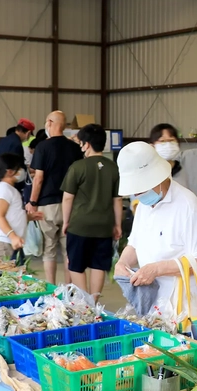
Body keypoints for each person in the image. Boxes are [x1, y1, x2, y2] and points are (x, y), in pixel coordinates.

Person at [113, 142, 197, 317]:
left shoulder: (188, 206)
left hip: (184, 305)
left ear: (157, 179)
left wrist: (157, 269)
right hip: (154, 300)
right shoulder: (145, 204)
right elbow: (134, 243)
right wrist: (122, 263)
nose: (137, 196)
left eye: (141, 190)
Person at [61, 125, 123, 296]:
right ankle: (94, 303)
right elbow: (117, 200)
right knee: (98, 265)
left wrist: (66, 221)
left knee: (76, 264)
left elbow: (67, 198)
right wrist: (118, 225)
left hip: (80, 224)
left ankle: (84, 303)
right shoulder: (114, 168)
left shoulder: (77, 167)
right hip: (104, 225)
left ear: (86, 144)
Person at [26, 112, 81, 284]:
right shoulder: (74, 148)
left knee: (49, 251)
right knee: (68, 251)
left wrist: (33, 202)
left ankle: (51, 287)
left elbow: (39, 178)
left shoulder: (43, 147)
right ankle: (69, 290)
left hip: (47, 205)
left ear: (49, 122)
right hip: (70, 204)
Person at [0, 153, 42, 262]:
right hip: (2, 244)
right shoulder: (3, 189)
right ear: (9, 172)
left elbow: (11, 214)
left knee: (18, 277)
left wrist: (28, 217)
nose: (22, 171)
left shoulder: (10, 189)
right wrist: (13, 236)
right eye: (19, 168)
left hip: (10, 243)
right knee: (6, 278)